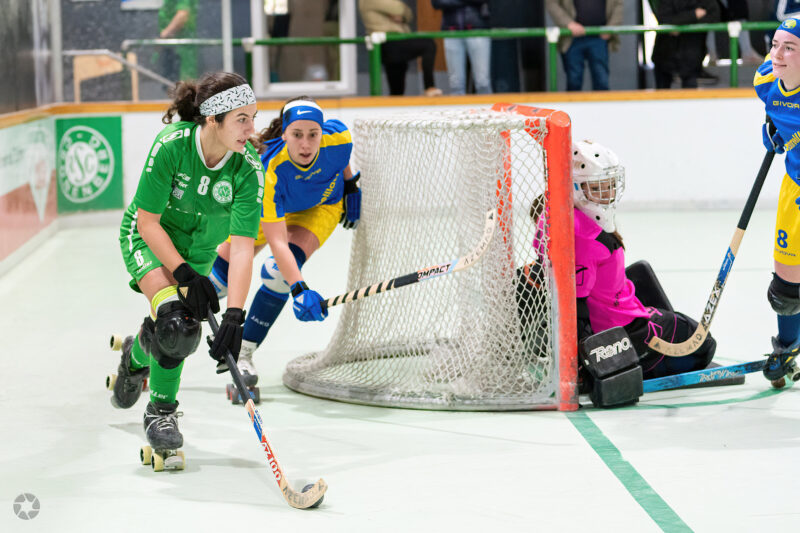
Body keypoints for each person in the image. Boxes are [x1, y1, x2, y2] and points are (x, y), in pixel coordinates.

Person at [112, 72, 262, 455]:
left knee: (171, 328)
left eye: (254, 117)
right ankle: (161, 412)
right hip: (148, 237)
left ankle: (136, 353)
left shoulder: (248, 168)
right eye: (241, 119)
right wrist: (182, 274)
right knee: (179, 325)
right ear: (213, 118)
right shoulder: (172, 147)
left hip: (198, 253)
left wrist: (234, 316)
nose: (251, 128)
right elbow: (147, 221)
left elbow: (243, 247)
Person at [532, 140, 717, 383]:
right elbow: (577, 306)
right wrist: (587, 362)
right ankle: (643, 362)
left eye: (610, 185)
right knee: (704, 345)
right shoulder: (589, 238)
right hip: (619, 329)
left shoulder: (556, 212)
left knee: (642, 274)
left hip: (618, 306)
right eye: (598, 188)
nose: (607, 194)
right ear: (575, 188)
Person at [208, 96, 359, 386]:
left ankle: (244, 353)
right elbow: (277, 240)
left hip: (320, 207)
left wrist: (351, 184)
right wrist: (300, 288)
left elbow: (341, 157)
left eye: (313, 134)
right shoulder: (269, 169)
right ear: (284, 134)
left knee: (277, 274)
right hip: (274, 209)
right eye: (297, 135)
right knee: (215, 285)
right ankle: (160, 334)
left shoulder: (338, 136)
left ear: (322, 131)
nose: (306, 144)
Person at [754, 17, 800, 382]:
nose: (778, 55)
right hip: (794, 187)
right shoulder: (767, 79)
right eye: (775, 45)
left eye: (790, 47)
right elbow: (773, 109)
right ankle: (787, 349)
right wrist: (771, 126)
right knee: (785, 288)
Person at [358, 0, 443, 96]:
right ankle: (429, 87)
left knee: (397, 91)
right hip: (388, 43)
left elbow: (409, 14)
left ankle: (427, 89)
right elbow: (399, 8)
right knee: (428, 45)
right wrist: (401, 13)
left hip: (397, 41)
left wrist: (402, 16)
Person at [545, 0, 624, 91]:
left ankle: (602, 106)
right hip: (571, 37)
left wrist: (611, 27)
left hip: (599, 36)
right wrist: (568, 24)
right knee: (574, 80)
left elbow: (618, 4)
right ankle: (572, 104)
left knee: (601, 80)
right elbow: (551, 3)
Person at [652, 0, 720, 89]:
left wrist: (678, 25)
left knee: (690, 97)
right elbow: (664, 20)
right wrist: (694, 15)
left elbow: (714, 16)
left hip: (691, 57)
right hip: (665, 55)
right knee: (661, 96)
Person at [431, 0, 492, 95]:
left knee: (482, 82)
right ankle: (458, 110)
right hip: (452, 31)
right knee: (455, 84)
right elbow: (437, 3)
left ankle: (487, 109)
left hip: (477, 29)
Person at [158, 0, 198, 81]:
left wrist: (163, 36)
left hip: (182, 49)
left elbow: (182, 15)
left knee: (186, 85)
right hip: (172, 49)